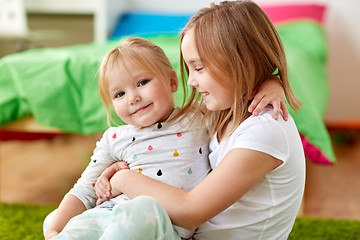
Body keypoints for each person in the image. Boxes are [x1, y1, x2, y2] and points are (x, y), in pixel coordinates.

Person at [95, 1, 305, 239]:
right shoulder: (224, 113)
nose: (190, 82)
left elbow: (189, 211)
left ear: (241, 65)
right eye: (189, 69)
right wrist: (269, 79)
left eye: (199, 68)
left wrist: (123, 179)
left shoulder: (265, 130)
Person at [44, 36, 286, 239]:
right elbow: (84, 190)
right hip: (105, 213)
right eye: (119, 93)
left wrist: (272, 83)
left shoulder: (200, 116)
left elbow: (237, 94)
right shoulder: (114, 138)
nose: (133, 97)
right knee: (72, 227)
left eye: (142, 82)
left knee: (143, 208)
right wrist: (55, 230)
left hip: (164, 227)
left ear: (172, 81)